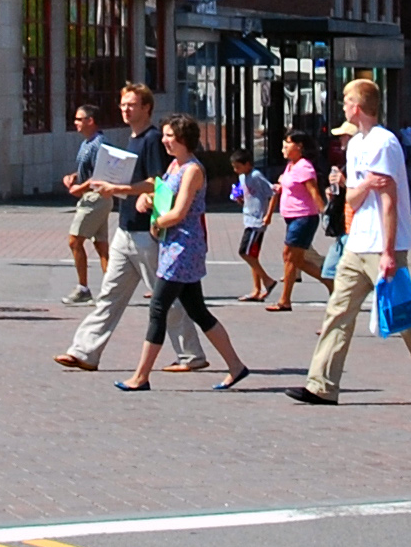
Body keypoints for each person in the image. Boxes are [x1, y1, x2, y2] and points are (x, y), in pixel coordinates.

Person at [291, 76, 411, 406]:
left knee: (403, 314)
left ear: (357, 107)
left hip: (383, 245)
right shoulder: (356, 144)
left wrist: (389, 252)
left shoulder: (384, 144)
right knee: (337, 312)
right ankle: (321, 386)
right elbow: (353, 198)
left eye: (345, 101)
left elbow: (389, 200)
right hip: (357, 243)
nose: (342, 105)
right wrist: (365, 186)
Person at [59, 85, 209, 371]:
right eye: (122, 104)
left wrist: (121, 188)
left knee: (167, 299)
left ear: (146, 108)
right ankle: (84, 352)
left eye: (132, 104)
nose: (125, 109)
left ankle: (191, 354)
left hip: (147, 233)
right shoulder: (132, 139)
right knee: (109, 295)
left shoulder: (153, 139)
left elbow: (157, 182)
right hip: (125, 228)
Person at [118, 120, 254, 391]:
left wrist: (157, 223)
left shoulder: (192, 170)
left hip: (183, 247)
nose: (165, 140)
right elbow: (162, 196)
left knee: (158, 308)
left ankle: (141, 376)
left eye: (170, 136)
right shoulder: (173, 166)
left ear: (184, 139)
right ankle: (236, 367)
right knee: (197, 310)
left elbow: (179, 212)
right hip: (172, 244)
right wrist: (148, 201)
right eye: (165, 136)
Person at [268, 130, 330, 309]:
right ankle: (330, 283)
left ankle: (284, 300)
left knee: (289, 257)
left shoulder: (304, 166)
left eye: (288, 143)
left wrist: (324, 213)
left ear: (299, 146)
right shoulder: (291, 166)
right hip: (292, 218)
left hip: (304, 218)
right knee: (297, 260)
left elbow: (313, 191)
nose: (285, 147)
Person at [58, 104, 111, 302]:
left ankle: (83, 288)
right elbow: (86, 171)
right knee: (101, 245)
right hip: (92, 196)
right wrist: (73, 177)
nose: (76, 123)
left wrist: (80, 188)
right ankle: (111, 289)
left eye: (79, 119)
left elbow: (100, 174)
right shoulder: (86, 143)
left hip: (95, 198)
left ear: (91, 121)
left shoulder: (100, 143)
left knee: (75, 241)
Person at [232, 147, 276, 301]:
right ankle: (256, 289)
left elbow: (273, 193)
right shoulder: (243, 178)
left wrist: (268, 215)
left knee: (245, 252)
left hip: (257, 221)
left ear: (248, 164)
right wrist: (240, 199)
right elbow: (249, 195)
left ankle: (267, 280)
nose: (236, 170)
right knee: (252, 255)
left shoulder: (256, 176)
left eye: (238, 166)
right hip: (248, 218)